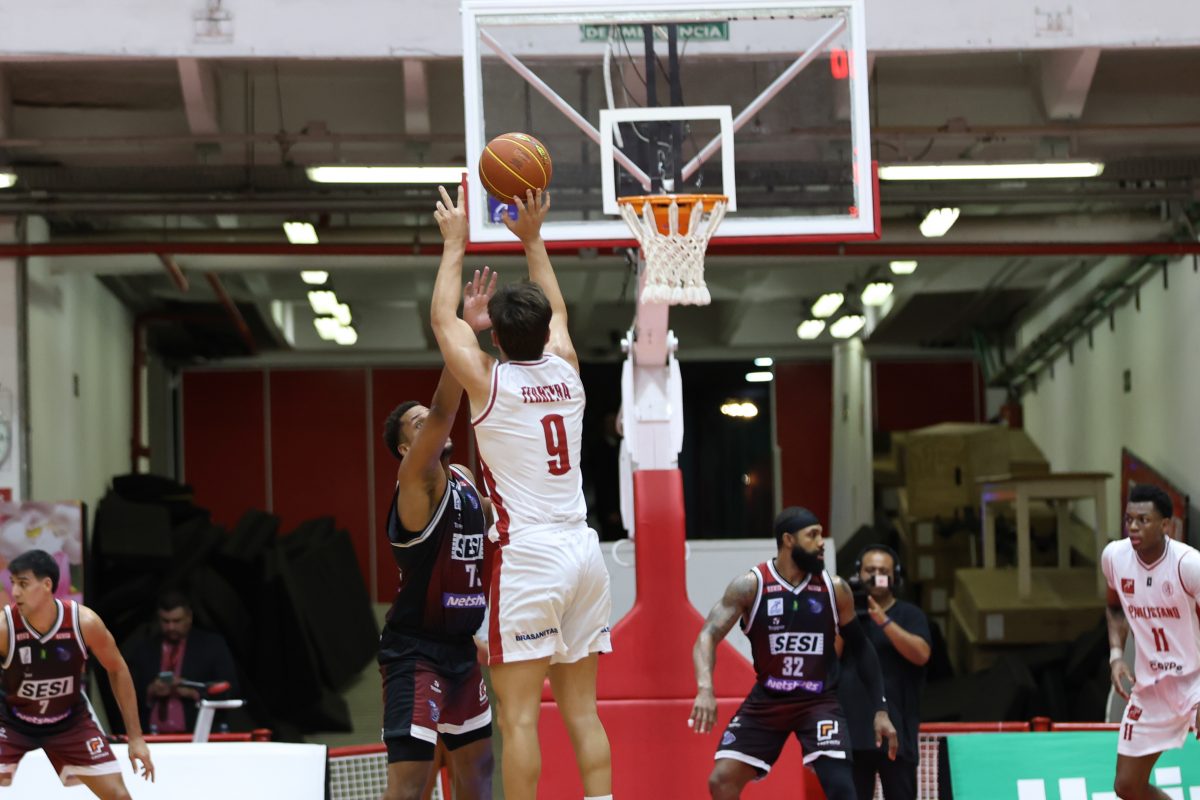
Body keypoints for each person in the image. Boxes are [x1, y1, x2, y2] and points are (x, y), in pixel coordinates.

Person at [429, 185, 614, 800]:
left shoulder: (488, 381)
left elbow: (443, 322)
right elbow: (557, 313)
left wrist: (455, 242)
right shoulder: (566, 365)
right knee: (584, 713)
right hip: (584, 552)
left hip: (529, 557)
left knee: (520, 719)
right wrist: (533, 238)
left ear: (498, 339)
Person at [378, 267, 499, 800]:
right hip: (416, 652)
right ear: (407, 449)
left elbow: (493, 532)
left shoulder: (465, 480)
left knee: (478, 774)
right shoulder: (414, 483)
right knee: (411, 785)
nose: (429, 420)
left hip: (461, 649)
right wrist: (463, 332)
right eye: (418, 423)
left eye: (426, 415)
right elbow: (448, 407)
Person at [690, 508, 897, 800]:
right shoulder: (751, 585)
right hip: (768, 699)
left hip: (818, 700)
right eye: (812, 535)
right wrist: (705, 688)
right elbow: (707, 635)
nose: (821, 542)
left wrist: (880, 708)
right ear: (788, 540)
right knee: (721, 781)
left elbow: (861, 646)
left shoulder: (835, 589)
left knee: (842, 788)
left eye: (821, 534)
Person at [0, 549, 154, 796]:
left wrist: (136, 738)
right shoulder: (5, 627)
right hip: (12, 721)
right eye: (13, 583)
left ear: (47, 585)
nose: (15, 592)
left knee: (119, 796)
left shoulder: (84, 623)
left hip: (69, 721)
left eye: (23, 584)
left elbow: (117, 669)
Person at [1102, 484, 1200, 800]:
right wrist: (1117, 655)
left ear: (1165, 525)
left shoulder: (1188, 564)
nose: (1133, 526)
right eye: (1129, 519)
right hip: (1152, 687)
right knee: (1127, 786)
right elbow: (1115, 608)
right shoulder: (1114, 557)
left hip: (1194, 681)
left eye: (1143, 520)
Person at [837, 545, 930, 800]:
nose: (876, 576)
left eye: (883, 571)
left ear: (894, 576)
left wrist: (883, 620)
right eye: (870, 570)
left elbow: (921, 654)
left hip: (898, 731)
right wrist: (844, 616)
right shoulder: (843, 614)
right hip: (852, 733)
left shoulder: (910, 614)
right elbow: (829, 658)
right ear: (858, 573)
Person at [126, 590, 240, 734]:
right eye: (165, 621)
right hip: (152, 736)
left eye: (177, 621)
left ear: (189, 617)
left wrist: (191, 692)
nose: (171, 627)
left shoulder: (211, 646)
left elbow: (230, 689)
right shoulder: (145, 648)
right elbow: (126, 692)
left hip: (199, 734)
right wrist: (151, 690)